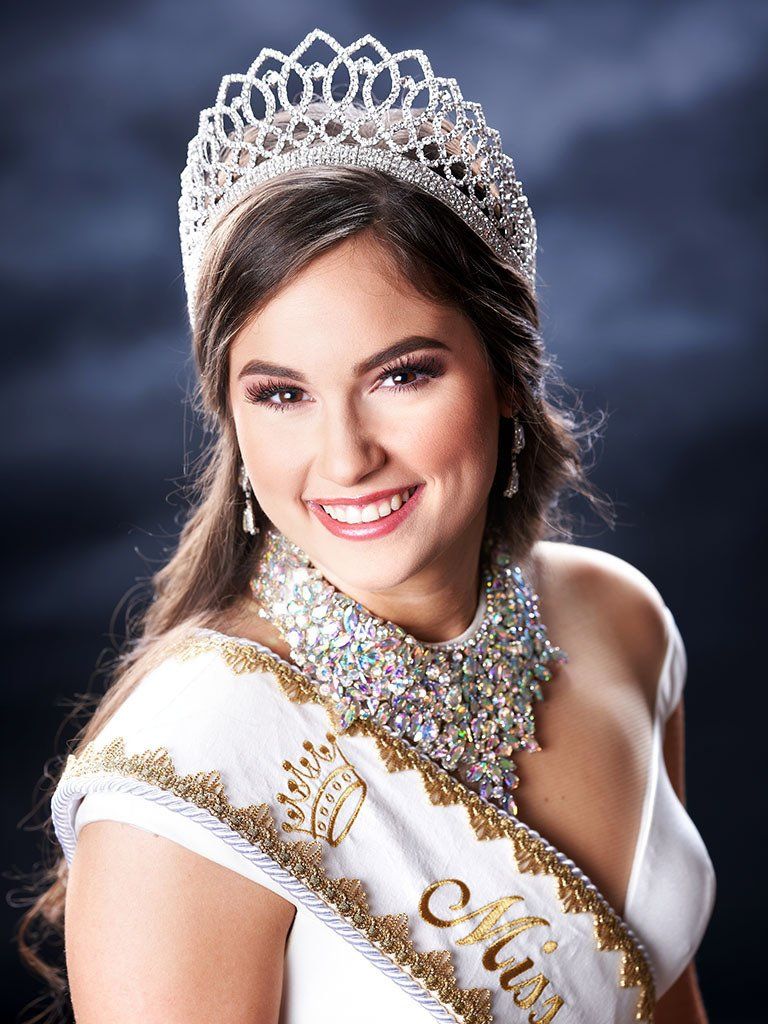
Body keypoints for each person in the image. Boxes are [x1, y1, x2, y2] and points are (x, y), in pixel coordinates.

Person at [17, 29, 715, 1024]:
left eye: (402, 374)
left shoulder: (617, 619)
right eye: (283, 393)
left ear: (506, 376)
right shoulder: (194, 764)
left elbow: (663, 995)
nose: (346, 456)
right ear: (231, 416)